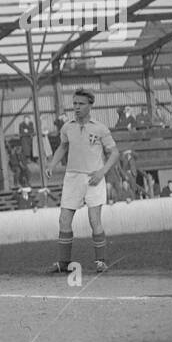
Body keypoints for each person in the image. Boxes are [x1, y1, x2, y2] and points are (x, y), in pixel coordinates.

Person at [44, 88, 120, 274]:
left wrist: (102, 172)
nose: (76, 107)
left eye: (81, 104)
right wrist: (51, 164)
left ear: (90, 105)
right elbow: (63, 147)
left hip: (93, 178)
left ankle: (100, 262)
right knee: (63, 220)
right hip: (72, 178)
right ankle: (64, 263)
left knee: (94, 220)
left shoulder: (100, 128)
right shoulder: (67, 127)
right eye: (75, 104)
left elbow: (115, 153)